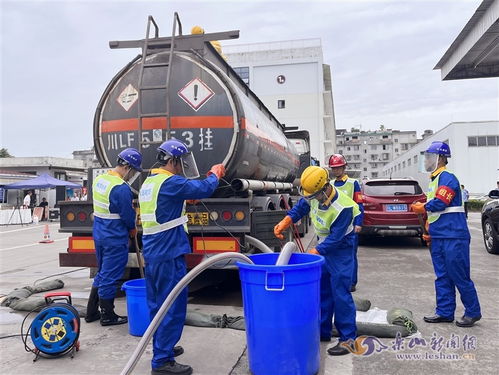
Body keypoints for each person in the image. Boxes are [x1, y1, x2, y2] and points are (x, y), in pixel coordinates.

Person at [139, 140, 225, 375]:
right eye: (181, 162)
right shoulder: (171, 182)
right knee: (173, 304)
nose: (182, 167)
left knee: (157, 304)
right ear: (173, 160)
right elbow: (205, 188)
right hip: (168, 252)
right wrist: (215, 175)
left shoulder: (151, 182)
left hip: (154, 251)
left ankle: (162, 347)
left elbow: (165, 207)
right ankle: (162, 362)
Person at [274, 166, 358, 356]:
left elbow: (336, 238)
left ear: (325, 188)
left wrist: (315, 251)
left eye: (314, 196)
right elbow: (301, 207)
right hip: (323, 246)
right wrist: (286, 221)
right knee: (322, 290)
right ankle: (322, 331)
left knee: (340, 294)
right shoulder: (314, 196)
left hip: (340, 251)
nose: (311, 199)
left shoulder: (343, 207)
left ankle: (348, 339)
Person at [411, 141, 481, 327]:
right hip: (440, 235)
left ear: (440, 158)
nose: (426, 160)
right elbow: (434, 214)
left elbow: (441, 202)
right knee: (442, 275)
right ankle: (444, 312)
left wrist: (422, 207)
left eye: (429, 157)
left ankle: (473, 312)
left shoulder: (447, 177)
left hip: (453, 236)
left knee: (458, 274)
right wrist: (429, 230)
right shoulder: (433, 181)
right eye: (425, 157)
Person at [86, 148, 143, 326]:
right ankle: (108, 315)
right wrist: (132, 228)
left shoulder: (100, 180)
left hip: (100, 233)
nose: (132, 175)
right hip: (114, 236)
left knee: (103, 272)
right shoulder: (120, 189)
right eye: (133, 171)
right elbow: (127, 215)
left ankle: (91, 312)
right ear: (127, 167)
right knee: (111, 275)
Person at [328, 154, 364, 292]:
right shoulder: (330, 185)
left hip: (350, 227)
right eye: (334, 168)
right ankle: (337, 280)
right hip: (334, 227)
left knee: (350, 256)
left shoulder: (353, 183)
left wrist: (358, 223)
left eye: (338, 168)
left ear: (344, 167)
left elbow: (359, 204)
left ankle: (351, 283)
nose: (336, 171)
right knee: (335, 255)